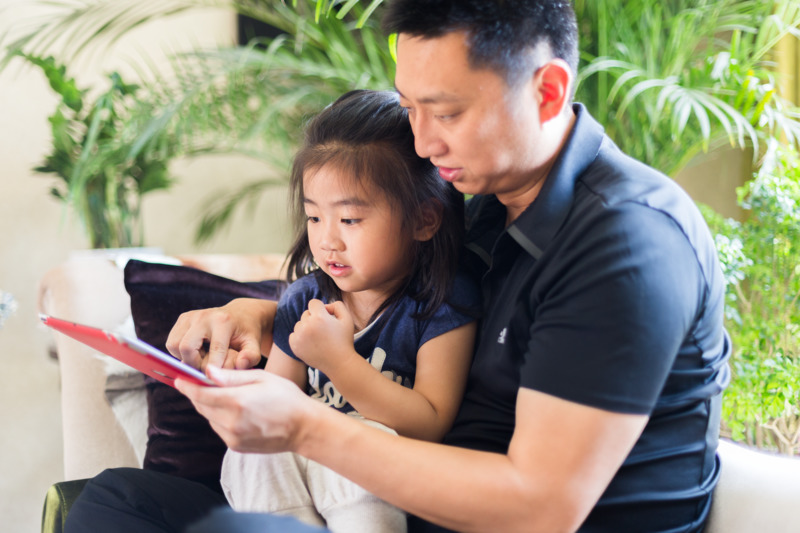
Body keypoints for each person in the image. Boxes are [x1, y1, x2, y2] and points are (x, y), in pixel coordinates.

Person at [66, 1, 731, 532]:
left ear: (548, 91)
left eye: (446, 112)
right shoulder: (483, 207)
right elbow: (391, 298)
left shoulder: (626, 243)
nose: (422, 141)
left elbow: (540, 508)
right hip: (404, 508)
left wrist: (304, 425)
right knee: (115, 501)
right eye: (411, 109)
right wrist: (265, 316)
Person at [220, 89, 479, 532]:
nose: (327, 241)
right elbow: (276, 403)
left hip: (378, 475)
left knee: (362, 441)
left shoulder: (443, 302)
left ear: (424, 220)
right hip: (302, 476)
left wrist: (338, 362)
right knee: (254, 451)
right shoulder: (304, 299)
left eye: (350, 220)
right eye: (314, 218)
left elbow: (429, 424)